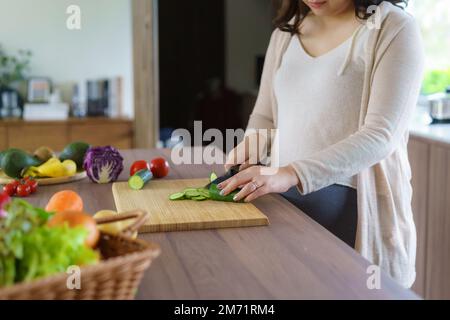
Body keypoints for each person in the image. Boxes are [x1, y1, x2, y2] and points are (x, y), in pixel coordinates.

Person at [218, 0, 424, 288]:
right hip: (284, 192)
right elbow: (265, 115)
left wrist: (291, 173)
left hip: (355, 207)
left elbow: (381, 135)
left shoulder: (393, 28)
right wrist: (252, 144)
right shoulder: (285, 34)